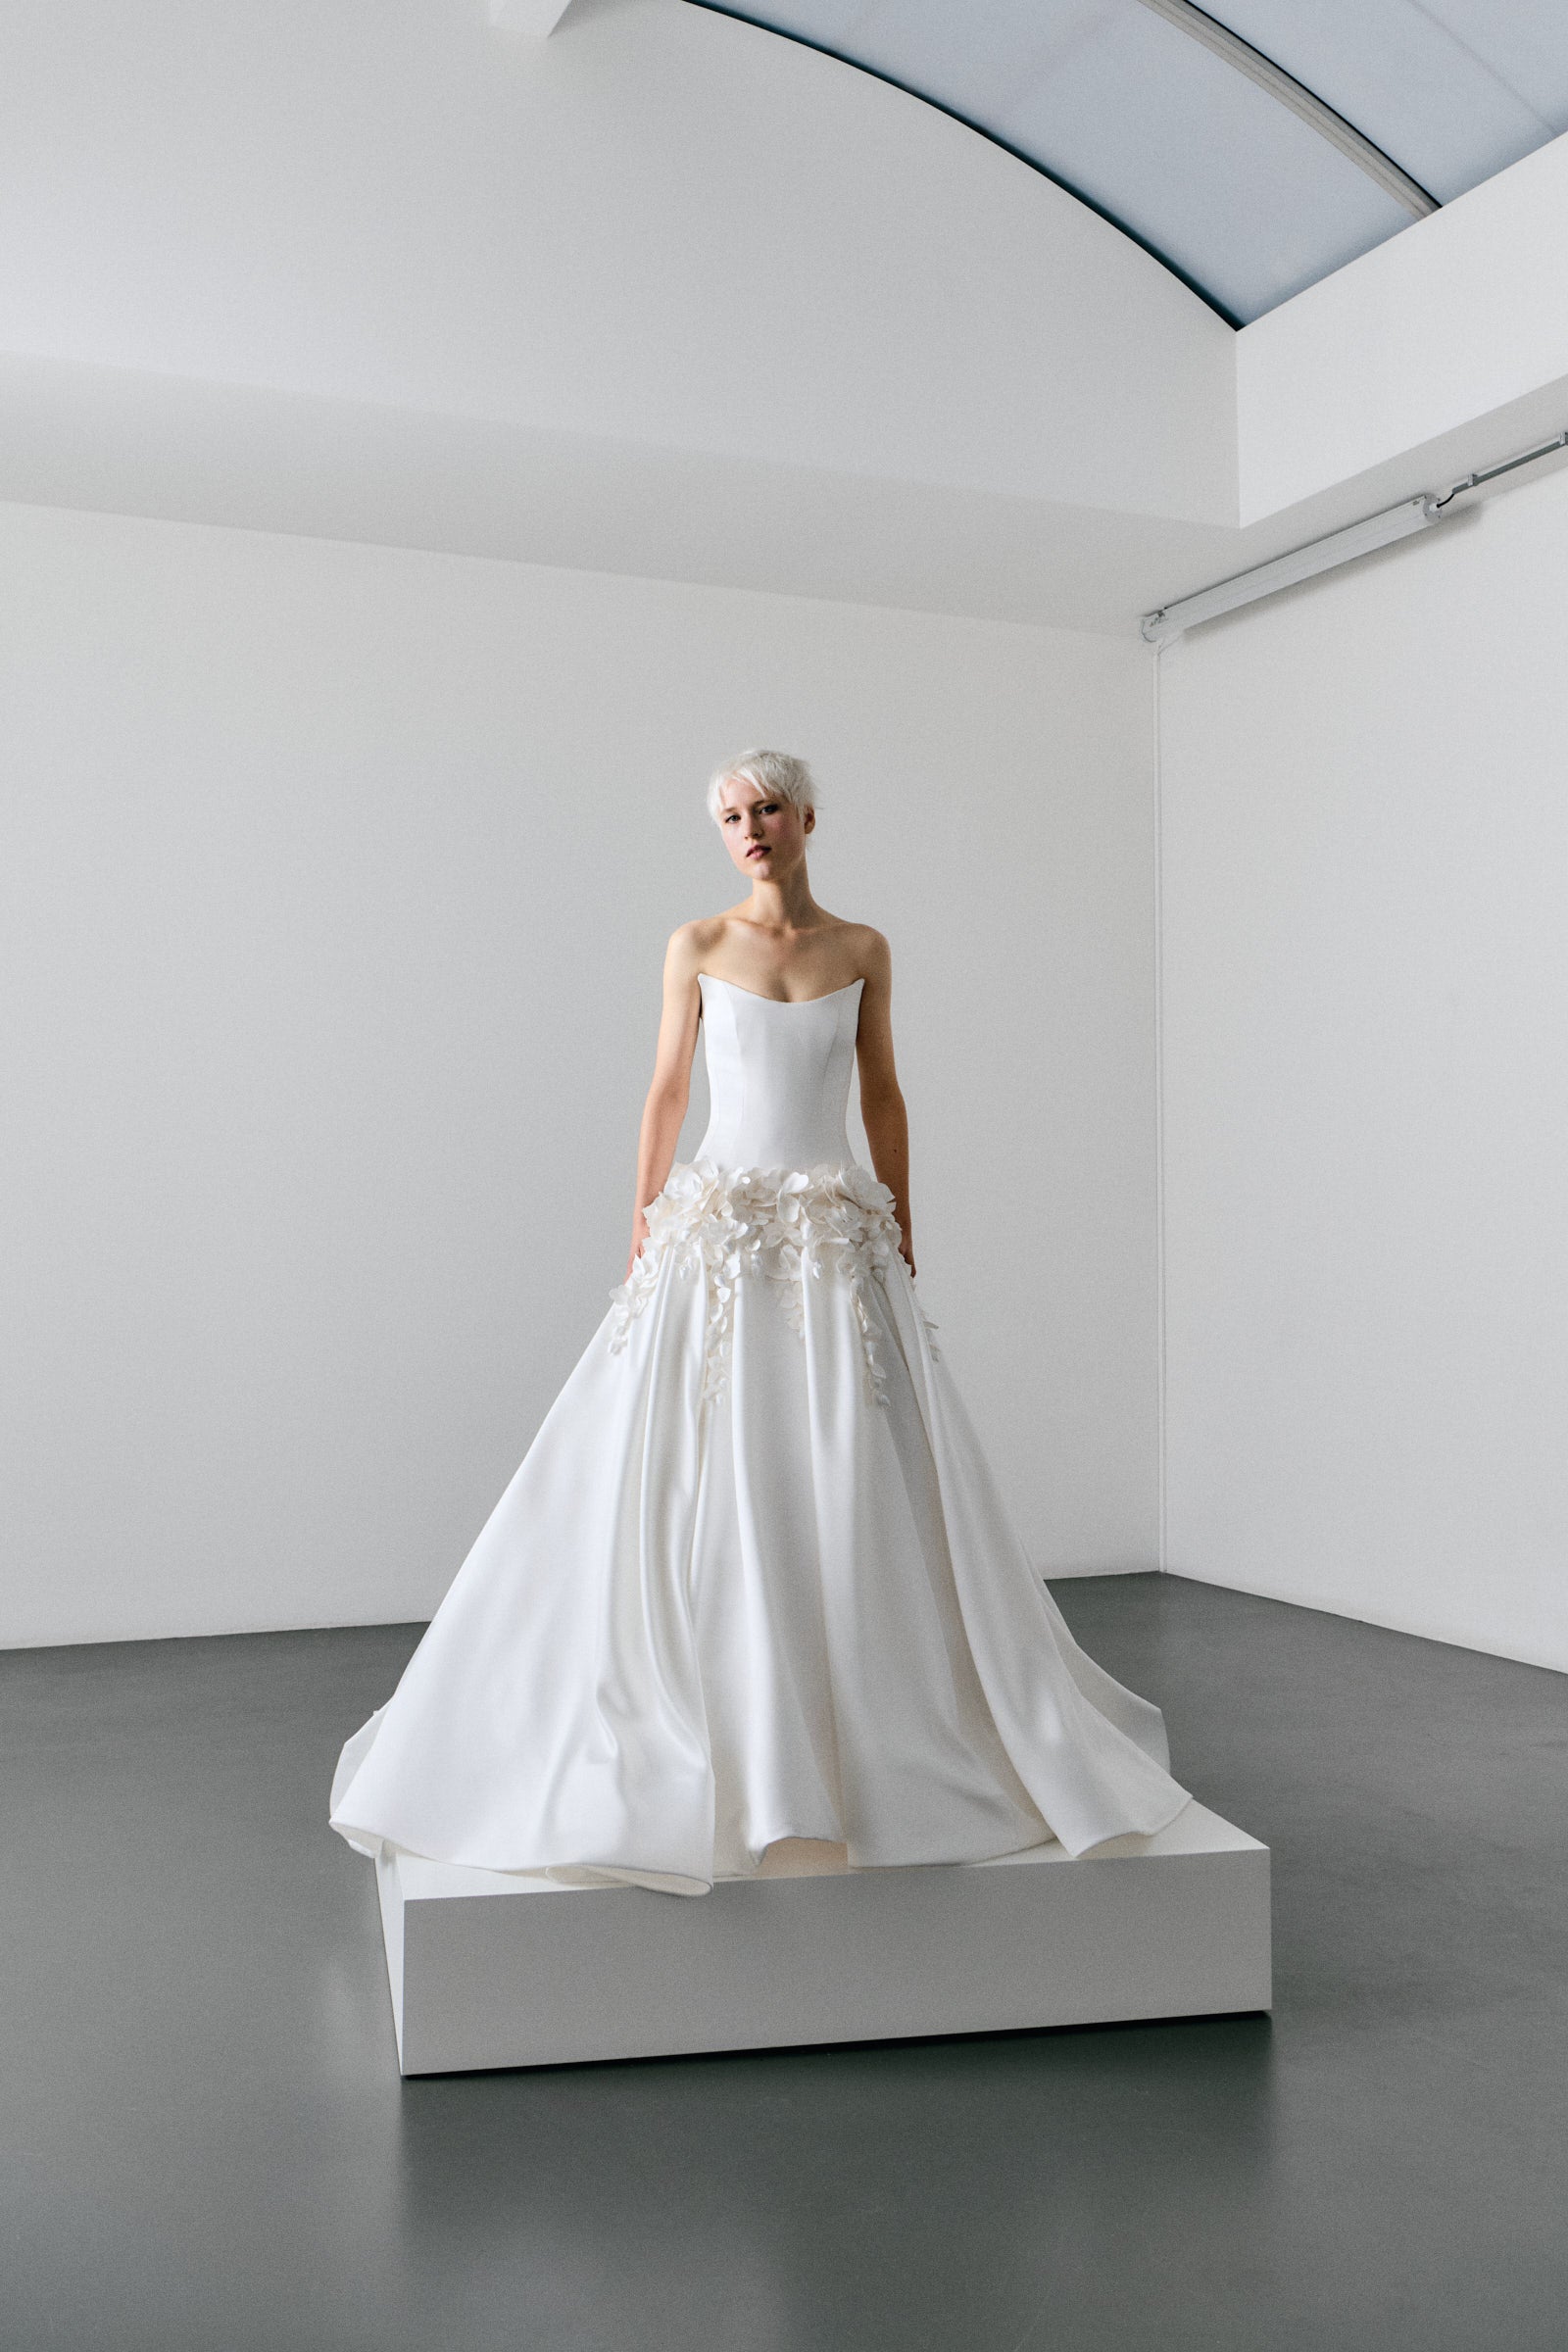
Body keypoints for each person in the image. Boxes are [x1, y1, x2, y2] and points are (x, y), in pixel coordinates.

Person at [329, 750, 1189, 1895]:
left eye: (766, 809)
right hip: (720, 1229)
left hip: (834, 1226)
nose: (749, 828)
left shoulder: (862, 947)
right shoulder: (695, 943)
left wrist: (901, 1215)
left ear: (807, 819)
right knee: (692, 1455)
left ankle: (881, 1721)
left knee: (851, 1462)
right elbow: (668, 1091)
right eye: (731, 815)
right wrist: (643, 1218)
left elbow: (881, 1090)